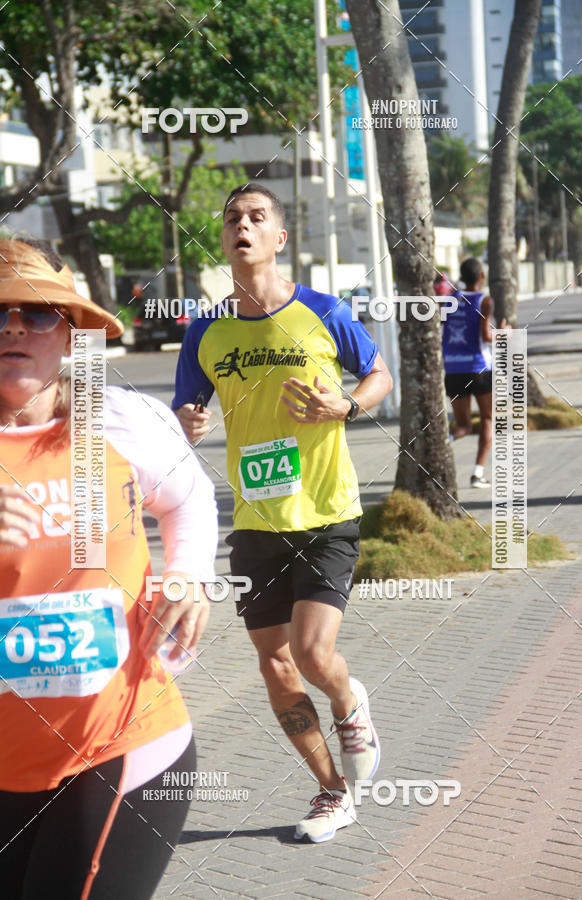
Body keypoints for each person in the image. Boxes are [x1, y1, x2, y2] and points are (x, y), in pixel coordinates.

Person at [173, 183, 393, 843]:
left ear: (279, 237)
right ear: (225, 239)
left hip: (326, 511)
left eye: (256, 216)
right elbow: (186, 411)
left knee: (312, 652)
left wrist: (345, 406)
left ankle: (349, 699)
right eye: (232, 218)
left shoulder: (324, 310)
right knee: (276, 664)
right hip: (255, 524)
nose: (242, 225)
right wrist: (187, 421)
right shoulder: (205, 331)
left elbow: (379, 376)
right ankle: (332, 792)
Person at [0, 238, 218, 898]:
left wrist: (189, 575)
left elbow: (189, 497)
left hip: (121, 743)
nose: (14, 326)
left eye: (38, 313)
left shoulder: (117, 419)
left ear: (70, 333)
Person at [442, 257, 506, 488]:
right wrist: (504, 332)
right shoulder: (484, 300)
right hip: (479, 369)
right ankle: (477, 474)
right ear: (482, 276)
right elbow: (487, 336)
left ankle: (441, 443)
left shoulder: (449, 300)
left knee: (463, 426)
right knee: (488, 418)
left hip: (453, 369)